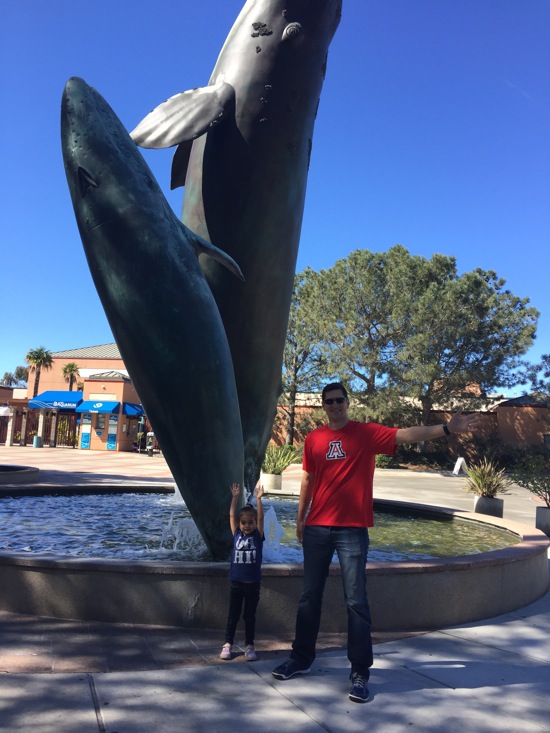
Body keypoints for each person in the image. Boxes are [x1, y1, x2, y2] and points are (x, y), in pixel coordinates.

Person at [272, 382, 481, 702]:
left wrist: (446, 429)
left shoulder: (365, 433)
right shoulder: (314, 438)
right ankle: (300, 659)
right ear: (323, 406)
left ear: (347, 402)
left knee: (356, 602)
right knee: (308, 597)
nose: (335, 405)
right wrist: (300, 518)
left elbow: (406, 434)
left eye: (340, 400)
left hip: (352, 530)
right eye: (329, 401)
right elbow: (308, 479)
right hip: (317, 528)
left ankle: (359, 673)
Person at [220, 483, 265, 661]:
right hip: (236, 583)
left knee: (249, 616)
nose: (247, 526)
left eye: (250, 523)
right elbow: (231, 514)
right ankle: (227, 644)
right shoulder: (236, 534)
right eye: (244, 523)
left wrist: (259, 499)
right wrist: (235, 498)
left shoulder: (257, 537)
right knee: (233, 615)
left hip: (253, 584)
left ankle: (249, 645)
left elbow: (261, 519)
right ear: (239, 524)